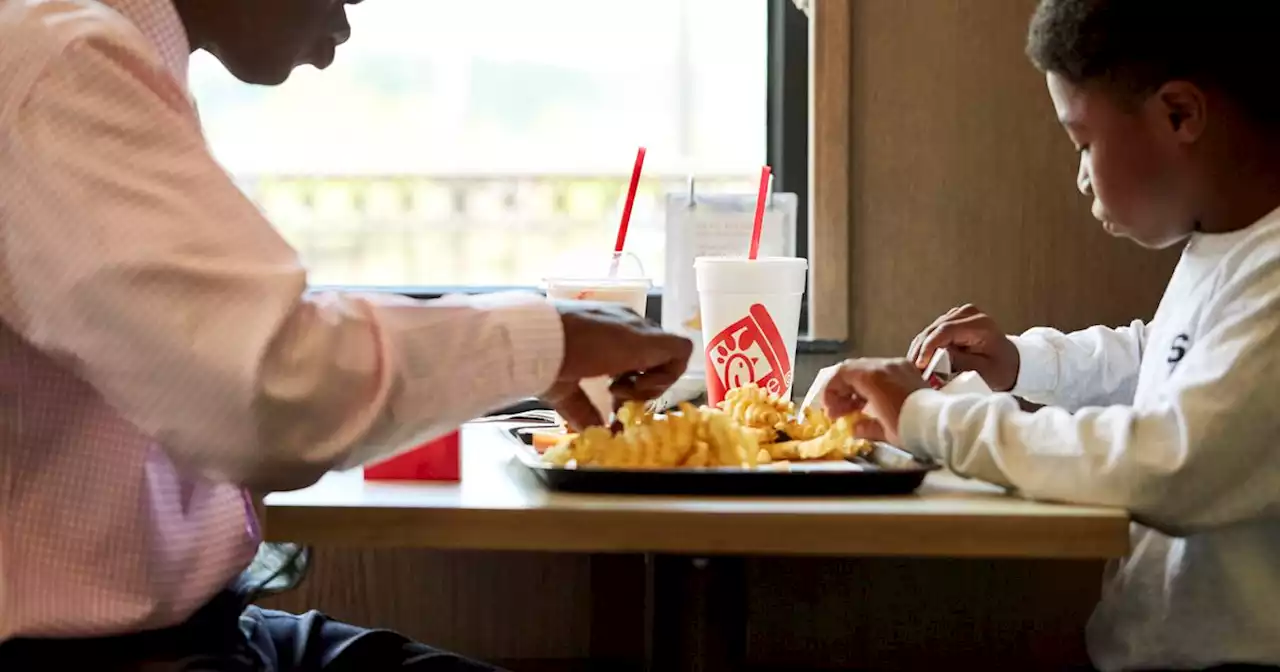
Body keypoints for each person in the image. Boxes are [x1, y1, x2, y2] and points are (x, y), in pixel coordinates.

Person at [0, 0, 692, 669]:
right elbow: (269, 390)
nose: (351, 16)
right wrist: (546, 340)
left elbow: (224, 356)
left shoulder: (88, 53)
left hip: (204, 626)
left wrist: (529, 355)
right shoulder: (58, 62)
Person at [821, 1, 1280, 670]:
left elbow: (1171, 462)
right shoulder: (1226, 246)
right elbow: (1159, 357)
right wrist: (1021, 365)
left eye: (1083, 141)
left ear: (1180, 114)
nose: (1081, 174)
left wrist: (931, 418)